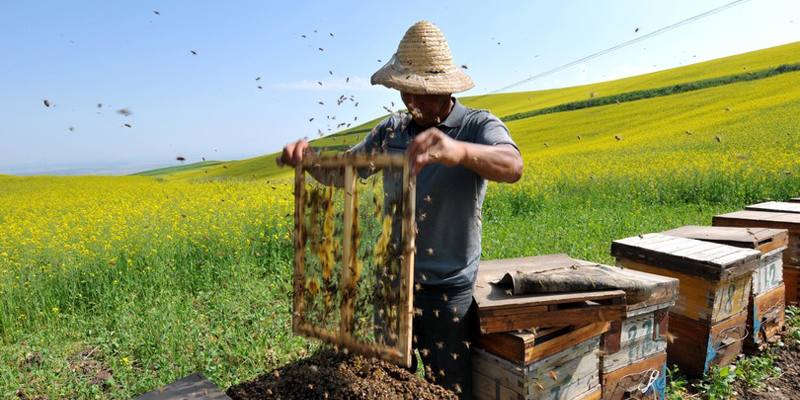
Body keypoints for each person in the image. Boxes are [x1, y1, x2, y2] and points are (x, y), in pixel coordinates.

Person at [279, 20, 522, 399]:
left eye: (423, 94)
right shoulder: (390, 130)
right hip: (393, 284)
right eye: (407, 93)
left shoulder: (477, 125)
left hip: (447, 290)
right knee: (389, 384)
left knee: (449, 389)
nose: (413, 103)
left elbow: (512, 165)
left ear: (446, 89)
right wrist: (308, 161)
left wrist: (459, 152)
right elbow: (345, 172)